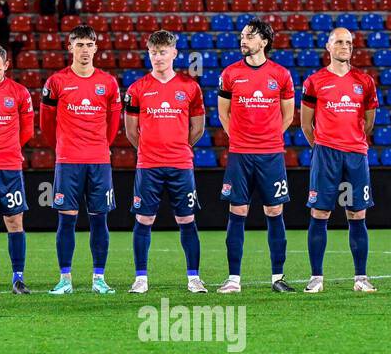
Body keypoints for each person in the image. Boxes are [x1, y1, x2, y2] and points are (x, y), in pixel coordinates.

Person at [123, 30, 207, 293]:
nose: (158, 57)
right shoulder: (137, 89)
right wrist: (150, 149)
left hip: (181, 164)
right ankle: (141, 278)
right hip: (148, 166)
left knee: (187, 220)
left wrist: (179, 148)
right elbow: (130, 130)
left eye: (163, 52)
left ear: (174, 54)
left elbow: (198, 128)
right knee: (143, 220)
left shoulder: (190, 87)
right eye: (153, 52)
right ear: (148, 53)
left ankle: (194, 277)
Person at [216, 20, 297, 294]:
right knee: (237, 211)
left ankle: (278, 277)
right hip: (240, 154)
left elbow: (288, 115)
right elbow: (223, 114)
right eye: (241, 36)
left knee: (274, 211)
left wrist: (269, 137)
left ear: (264, 41)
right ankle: (233, 279)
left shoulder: (281, 75)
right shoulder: (230, 74)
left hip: (271, 155)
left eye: (249, 36)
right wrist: (239, 138)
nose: (243, 40)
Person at [40, 24, 120, 295]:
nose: (84, 50)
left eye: (89, 45)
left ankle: (99, 278)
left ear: (96, 48)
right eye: (79, 45)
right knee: (66, 220)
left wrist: (101, 146)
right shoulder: (56, 82)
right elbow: (46, 124)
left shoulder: (108, 82)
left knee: (100, 220)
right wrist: (63, 146)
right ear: (70, 47)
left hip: (98, 161)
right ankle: (65, 279)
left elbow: (113, 123)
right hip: (68, 160)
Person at [301, 28, 379, 293]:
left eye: (348, 42)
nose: (344, 46)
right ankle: (316, 277)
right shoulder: (315, 81)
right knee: (320, 212)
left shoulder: (365, 81)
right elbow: (305, 123)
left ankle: (361, 277)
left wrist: (352, 140)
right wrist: (323, 145)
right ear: (328, 46)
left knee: (357, 213)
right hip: (326, 154)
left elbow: (368, 123)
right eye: (338, 42)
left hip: (356, 154)